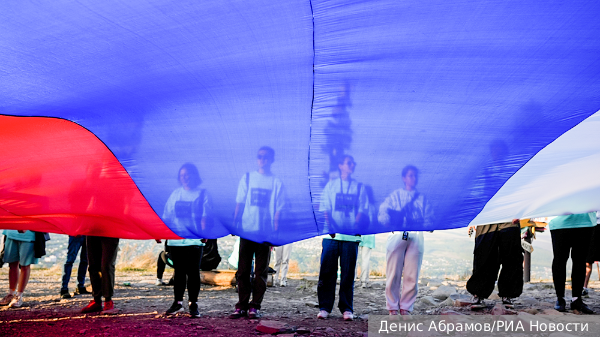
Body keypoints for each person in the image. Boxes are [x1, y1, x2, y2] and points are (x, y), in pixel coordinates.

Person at [230, 146, 285, 319]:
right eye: (260, 157)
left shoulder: (276, 182)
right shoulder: (247, 178)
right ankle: (241, 306)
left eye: (266, 157)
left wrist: (274, 232)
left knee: (261, 272)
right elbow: (239, 202)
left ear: (271, 160)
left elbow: (278, 209)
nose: (262, 160)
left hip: (265, 233)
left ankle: (255, 306)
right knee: (243, 270)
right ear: (256, 159)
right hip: (247, 230)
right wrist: (235, 224)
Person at [317, 155, 367, 321]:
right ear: (340, 166)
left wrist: (353, 226)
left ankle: (346, 308)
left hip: (351, 238)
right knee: (327, 272)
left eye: (353, 163)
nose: (351, 165)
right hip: (331, 236)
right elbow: (325, 208)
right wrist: (331, 226)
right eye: (348, 163)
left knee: (347, 274)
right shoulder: (331, 186)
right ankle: (324, 307)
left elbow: (362, 209)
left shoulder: (359, 188)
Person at [379, 165, 433, 315]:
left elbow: (429, 218)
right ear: (404, 178)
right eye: (410, 175)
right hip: (397, 234)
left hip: (416, 235)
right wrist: (389, 224)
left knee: (412, 273)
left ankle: (406, 308)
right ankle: (392, 308)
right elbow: (382, 212)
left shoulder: (422, 198)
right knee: (393, 272)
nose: (413, 178)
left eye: (415, 176)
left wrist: (429, 225)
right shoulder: (395, 195)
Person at [161, 163, 210, 317]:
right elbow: (167, 215)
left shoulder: (202, 193)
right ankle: (177, 303)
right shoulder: (175, 194)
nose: (185, 178)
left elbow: (205, 215)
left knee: (193, 273)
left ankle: (193, 304)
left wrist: (204, 232)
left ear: (194, 175)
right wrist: (159, 232)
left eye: (187, 175)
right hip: (176, 240)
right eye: (182, 175)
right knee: (179, 273)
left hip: (194, 241)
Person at [549, 212, 596, 314]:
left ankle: (576, 299)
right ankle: (560, 298)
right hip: (560, 222)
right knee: (559, 260)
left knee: (580, 261)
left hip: (585, 222)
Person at [0, 230, 38, 308]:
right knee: (12, 264)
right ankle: (11, 293)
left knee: (25, 265)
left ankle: (19, 295)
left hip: (28, 236)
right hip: (10, 233)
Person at [583, 212, 600, 296]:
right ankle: (584, 287)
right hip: (591, 225)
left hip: (593, 225)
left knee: (588, 260)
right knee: (588, 259)